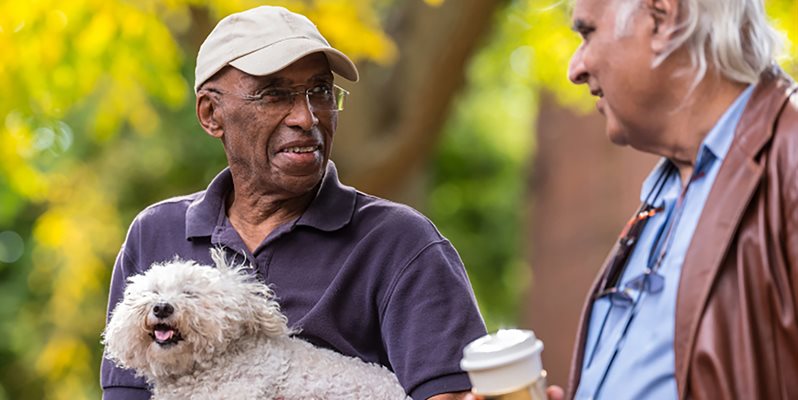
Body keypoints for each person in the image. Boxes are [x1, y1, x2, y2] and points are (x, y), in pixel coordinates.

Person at [100, 6, 487, 400]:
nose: (306, 117)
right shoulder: (155, 233)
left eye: (320, 91)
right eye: (274, 94)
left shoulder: (401, 242)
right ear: (211, 113)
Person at [560, 0, 797, 398]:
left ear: (662, 19)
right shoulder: (663, 194)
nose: (575, 69)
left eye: (588, 33)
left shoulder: (790, 159)